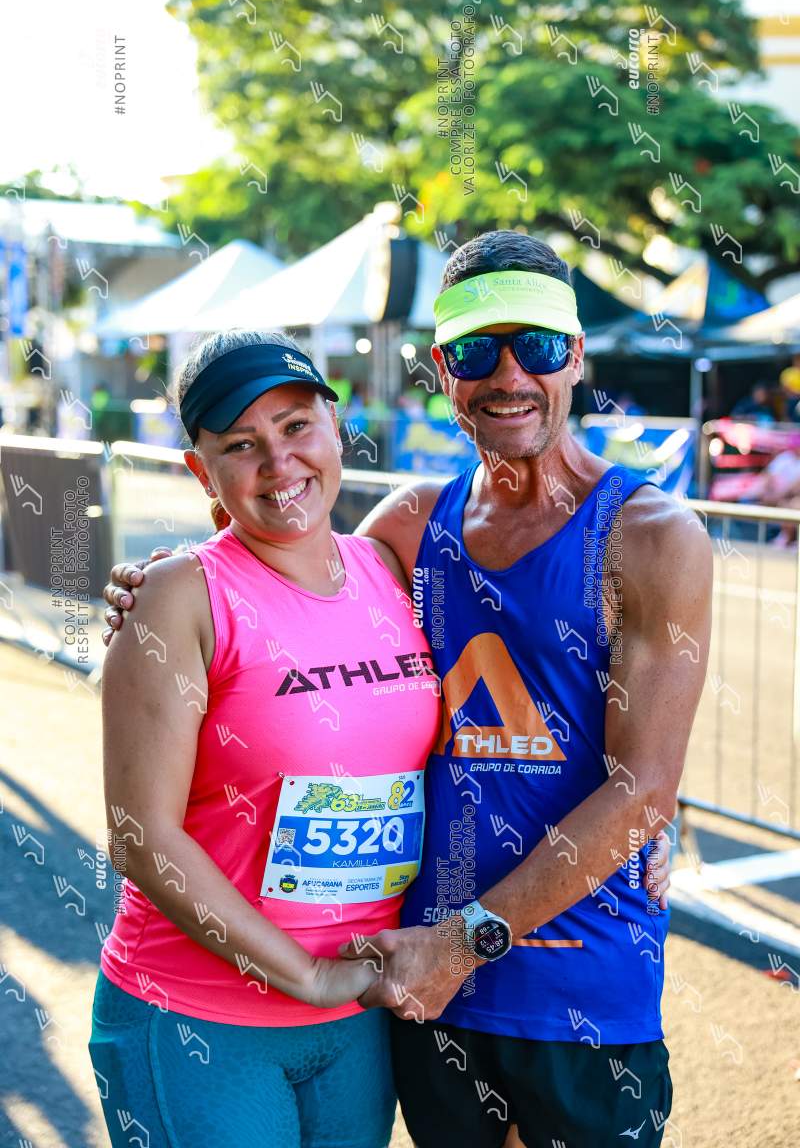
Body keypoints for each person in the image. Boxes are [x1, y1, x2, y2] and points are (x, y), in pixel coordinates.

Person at [103, 232, 688, 1148]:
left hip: (554, 986)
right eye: (474, 352)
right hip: (398, 989)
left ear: (575, 355)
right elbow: (277, 573)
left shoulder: (647, 533)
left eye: (536, 345)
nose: (509, 375)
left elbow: (643, 775)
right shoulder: (409, 530)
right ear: (443, 372)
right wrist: (156, 594)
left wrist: (657, 808)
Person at [90, 330, 443, 1148]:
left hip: (355, 1018)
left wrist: (642, 826)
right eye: (241, 445)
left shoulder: (391, 569)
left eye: (295, 427)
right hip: (199, 1021)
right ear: (201, 471)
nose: (279, 464)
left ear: (335, 427)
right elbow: (141, 838)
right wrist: (308, 975)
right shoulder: (178, 596)